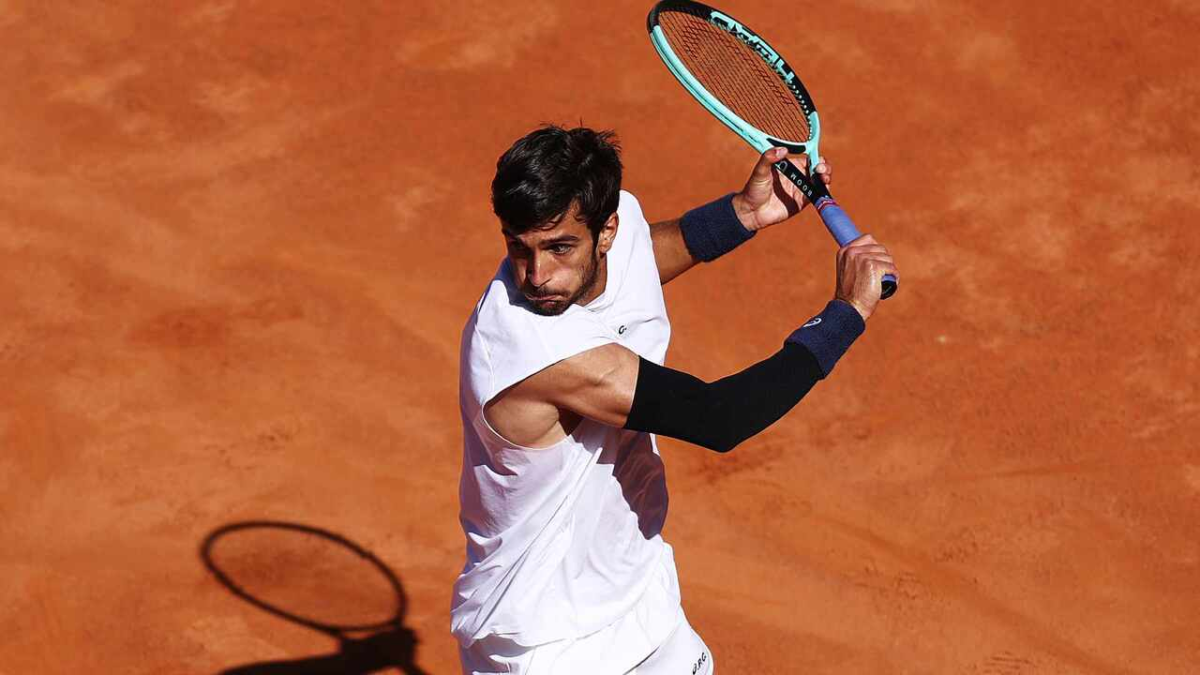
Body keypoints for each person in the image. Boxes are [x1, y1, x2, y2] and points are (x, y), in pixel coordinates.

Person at [452, 125, 899, 674]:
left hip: (638, 596)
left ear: (606, 230)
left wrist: (744, 213)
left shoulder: (617, 238)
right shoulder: (535, 350)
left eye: (559, 247)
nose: (536, 275)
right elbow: (719, 418)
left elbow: (641, 258)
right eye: (518, 248)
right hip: (546, 642)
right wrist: (845, 314)